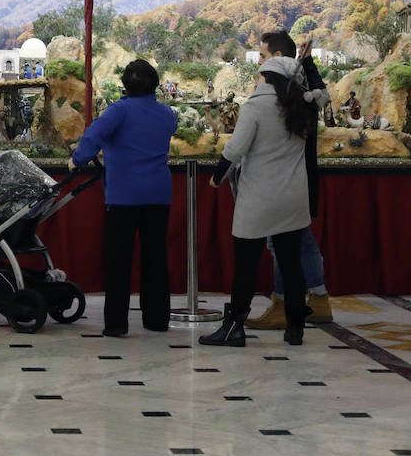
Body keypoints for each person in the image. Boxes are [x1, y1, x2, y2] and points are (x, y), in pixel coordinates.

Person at [202, 54, 317, 347]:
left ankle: (234, 328)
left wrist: (217, 177)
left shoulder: (256, 105)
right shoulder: (303, 107)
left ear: (267, 77)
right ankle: (295, 328)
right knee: (291, 263)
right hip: (292, 197)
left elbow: (236, 148)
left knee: (246, 265)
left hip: (259, 198)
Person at [68, 59, 177, 337]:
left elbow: (92, 136)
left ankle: (116, 324)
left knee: (119, 260)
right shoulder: (166, 114)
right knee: (155, 257)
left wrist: (76, 159)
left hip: (123, 196)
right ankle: (157, 320)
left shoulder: (118, 111)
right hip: (159, 194)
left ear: (125, 85)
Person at [245, 32, 334, 330]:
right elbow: (319, 91)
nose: (260, 63)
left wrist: (305, 64)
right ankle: (311, 299)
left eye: (263, 56)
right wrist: (306, 64)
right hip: (298, 179)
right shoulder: (297, 92)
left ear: (278, 59)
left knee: (284, 242)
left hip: (286, 180)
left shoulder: (289, 95)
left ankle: (289, 303)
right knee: (297, 241)